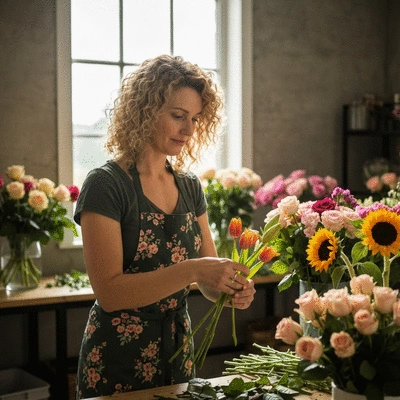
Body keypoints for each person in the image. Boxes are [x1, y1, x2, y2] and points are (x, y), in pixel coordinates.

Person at [74, 54, 256, 398]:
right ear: (144, 110)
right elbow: (110, 294)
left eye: (195, 119)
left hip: (177, 352)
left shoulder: (189, 186)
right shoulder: (106, 185)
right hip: (116, 359)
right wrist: (193, 269)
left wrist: (231, 291)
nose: (188, 130)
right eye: (177, 116)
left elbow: (208, 280)